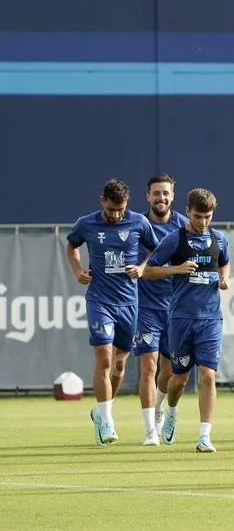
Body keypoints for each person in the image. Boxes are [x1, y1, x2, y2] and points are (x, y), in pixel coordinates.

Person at [66, 179, 159, 446]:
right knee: (105, 358)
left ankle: (101, 411)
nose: (115, 215)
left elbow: (155, 249)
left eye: (120, 210)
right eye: (110, 210)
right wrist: (77, 269)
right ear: (101, 202)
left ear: (126, 204)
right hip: (100, 301)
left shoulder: (139, 222)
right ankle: (107, 421)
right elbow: (71, 244)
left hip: (129, 303)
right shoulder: (87, 223)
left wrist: (142, 267)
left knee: (119, 364)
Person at [143, 188, 230, 453]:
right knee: (178, 379)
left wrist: (225, 277)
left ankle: (204, 436)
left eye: (208, 217)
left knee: (208, 375)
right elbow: (148, 270)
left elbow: (224, 262)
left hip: (211, 319)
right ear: (188, 212)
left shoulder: (220, 239)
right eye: (197, 216)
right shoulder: (175, 239)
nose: (203, 222)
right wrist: (176, 269)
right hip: (181, 318)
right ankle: (170, 410)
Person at [134, 175, 189, 445]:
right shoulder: (139, 225)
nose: (161, 198)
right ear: (147, 196)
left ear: (173, 195)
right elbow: (143, 271)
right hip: (146, 307)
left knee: (168, 371)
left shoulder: (183, 226)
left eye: (165, 193)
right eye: (156, 193)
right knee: (147, 366)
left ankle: (158, 408)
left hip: (175, 308)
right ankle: (149, 431)